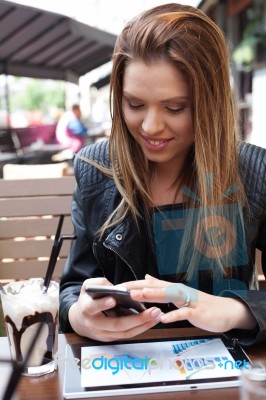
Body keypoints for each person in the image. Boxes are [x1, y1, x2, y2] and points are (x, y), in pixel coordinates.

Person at [59, 3, 266, 345]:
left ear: (210, 102)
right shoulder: (96, 171)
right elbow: (75, 286)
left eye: (175, 108)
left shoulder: (253, 172)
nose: (151, 127)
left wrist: (232, 311)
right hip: (125, 371)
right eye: (134, 104)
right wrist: (78, 317)